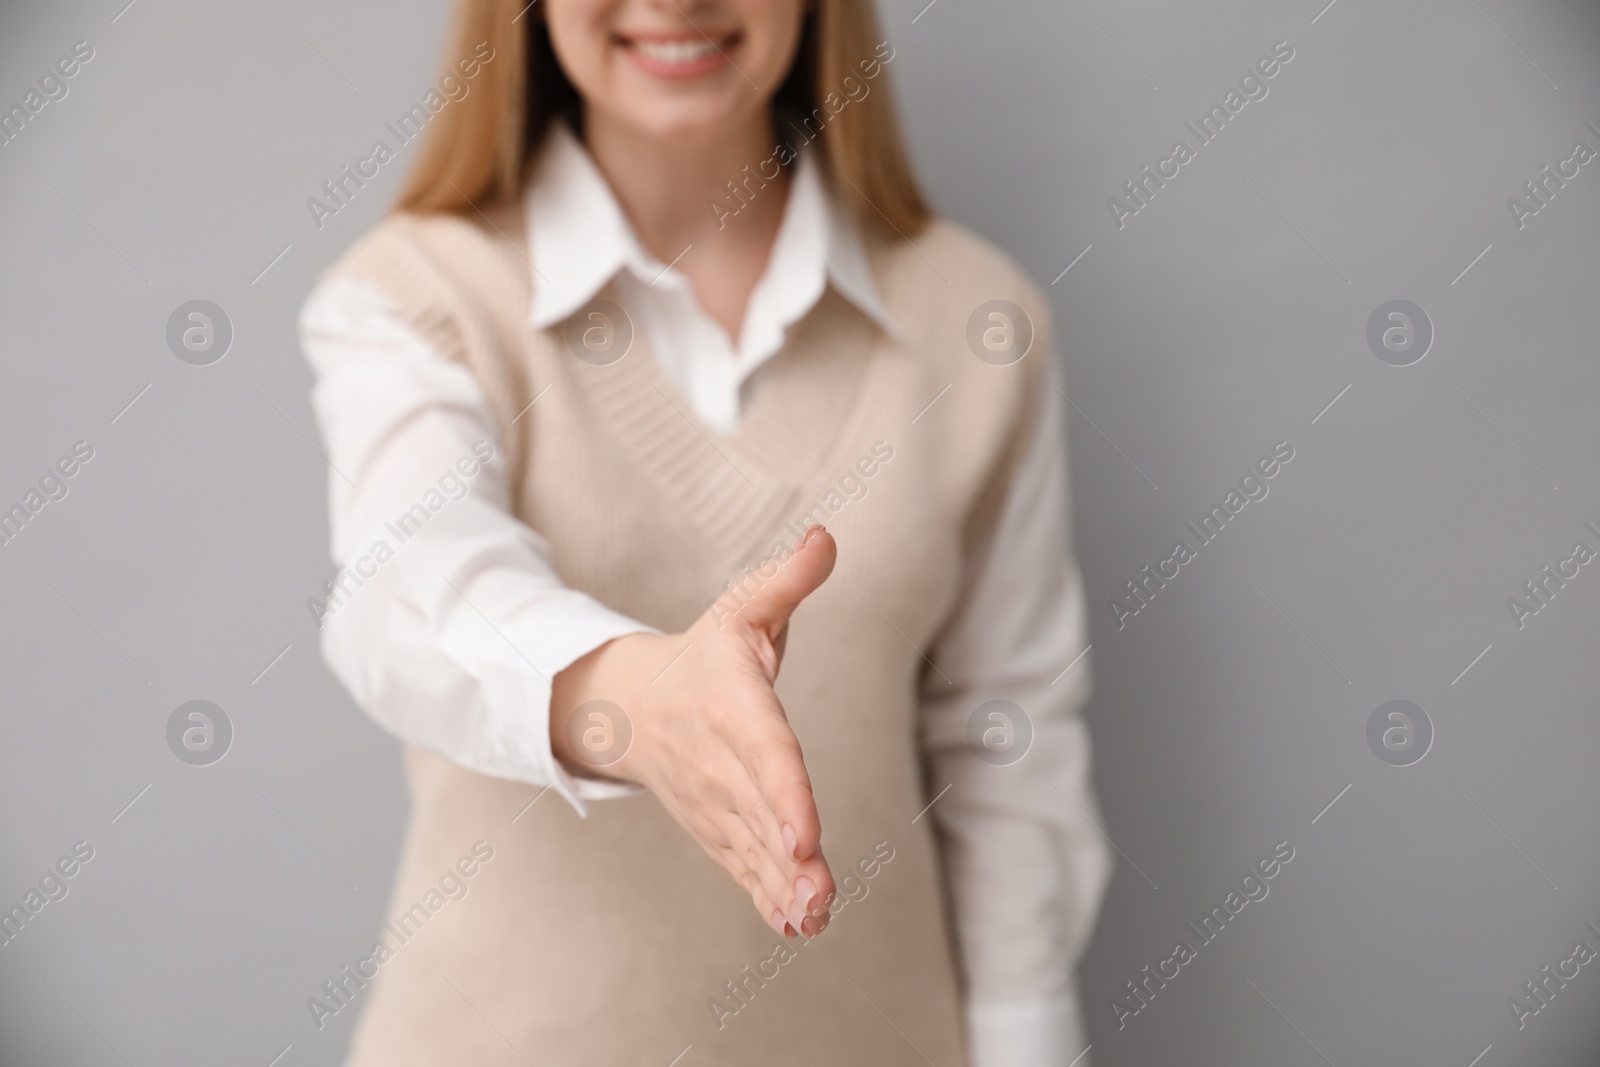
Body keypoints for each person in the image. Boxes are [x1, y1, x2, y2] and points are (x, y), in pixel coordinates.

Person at [300, 0, 1110, 1063]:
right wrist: (637, 701)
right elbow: (400, 584)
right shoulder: (419, 294)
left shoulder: (980, 321)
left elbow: (1009, 736)